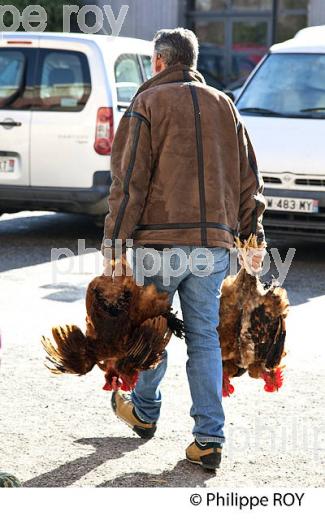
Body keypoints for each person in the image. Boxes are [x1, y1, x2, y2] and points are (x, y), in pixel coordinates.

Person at [102, 28, 266, 471]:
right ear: (190, 61)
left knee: (153, 330)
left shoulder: (146, 103)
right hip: (213, 245)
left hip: (158, 242)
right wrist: (254, 235)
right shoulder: (225, 104)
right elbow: (250, 178)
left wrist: (114, 243)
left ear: (158, 62)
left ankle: (144, 410)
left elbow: (129, 180)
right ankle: (209, 439)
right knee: (204, 337)